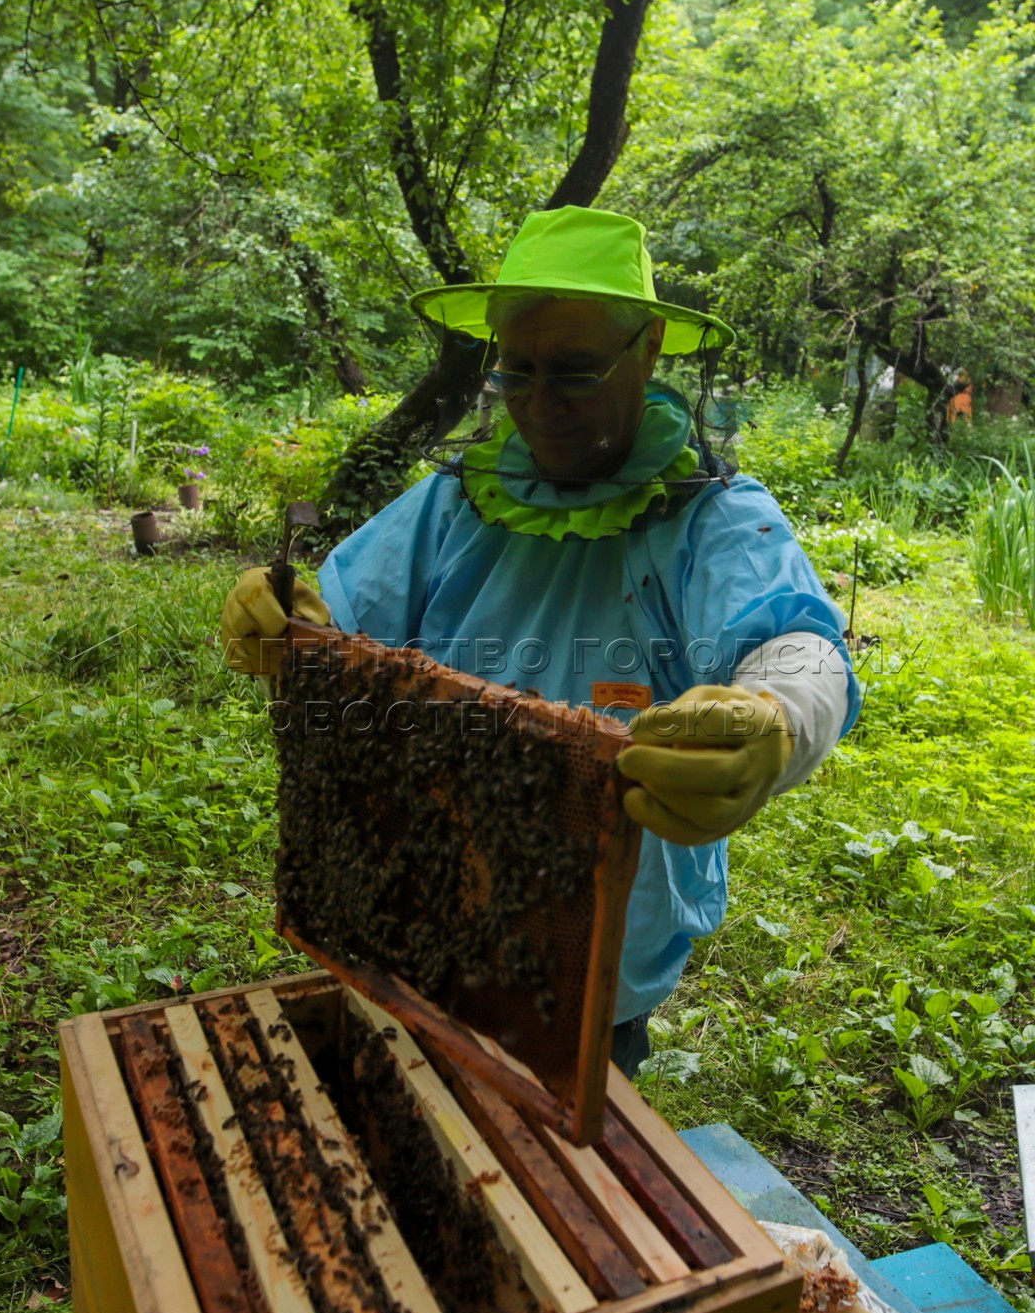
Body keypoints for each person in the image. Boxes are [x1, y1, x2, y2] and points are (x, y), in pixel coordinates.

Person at [222, 206, 860, 1077]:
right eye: (515, 373)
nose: (539, 404)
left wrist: (776, 713)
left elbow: (799, 643)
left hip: (591, 982)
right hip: (418, 929)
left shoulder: (714, 519)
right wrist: (282, 617)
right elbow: (331, 617)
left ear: (649, 350)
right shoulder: (454, 504)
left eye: (574, 370)